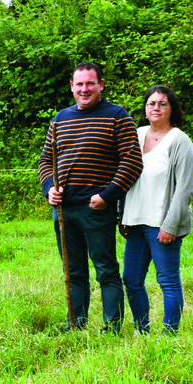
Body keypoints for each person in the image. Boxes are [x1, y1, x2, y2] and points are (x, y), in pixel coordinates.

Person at [38, 62, 143, 332]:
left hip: (96, 209)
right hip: (63, 211)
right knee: (73, 272)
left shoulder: (117, 116)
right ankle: (76, 325)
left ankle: (112, 327)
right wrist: (49, 187)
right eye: (79, 84)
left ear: (101, 85)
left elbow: (132, 162)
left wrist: (108, 196)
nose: (84, 89)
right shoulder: (60, 119)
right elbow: (45, 161)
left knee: (106, 271)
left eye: (90, 83)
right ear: (72, 87)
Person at [119, 85, 193, 334]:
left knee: (168, 281)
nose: (156, 108)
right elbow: (123, 176)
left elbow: (185, 189)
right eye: (151, 103)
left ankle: (170, 334)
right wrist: (122, 216)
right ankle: (142, 330)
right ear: (145, 107)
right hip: (136, 222)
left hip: (162, 225)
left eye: (163, 103)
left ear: (172, 108)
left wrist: (170, 225)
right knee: (131, 280)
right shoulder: (137, 135)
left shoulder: (180, 141)